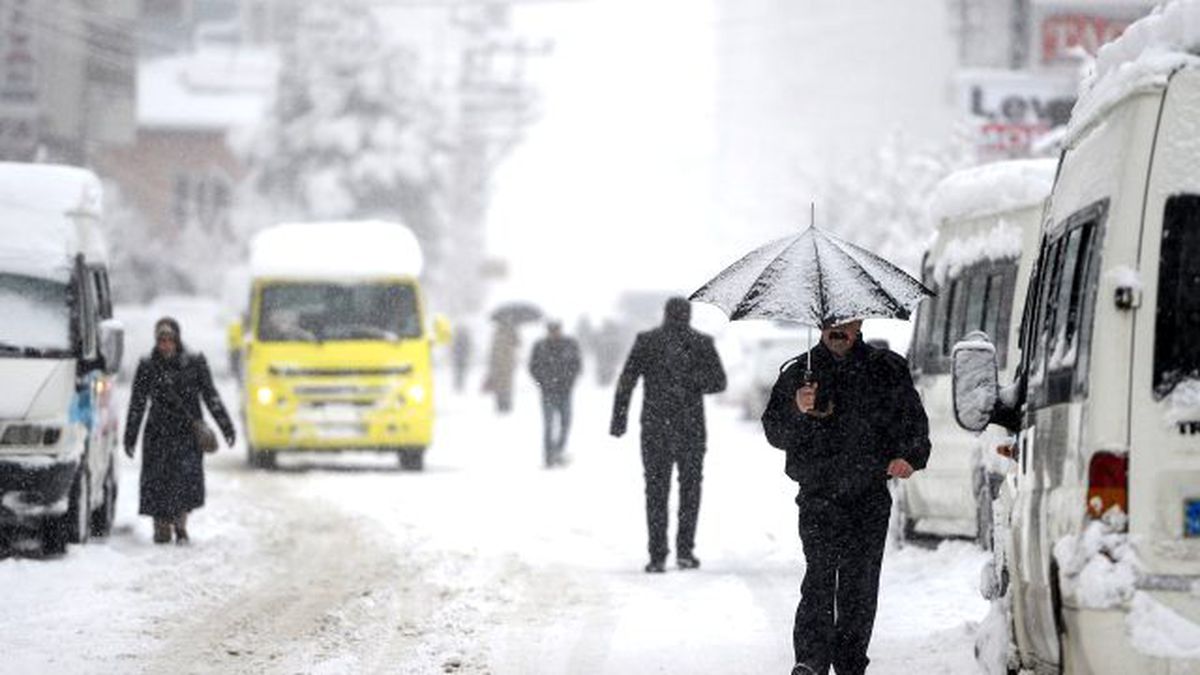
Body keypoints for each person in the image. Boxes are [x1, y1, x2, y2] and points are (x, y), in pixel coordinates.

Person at [761, 319, 930, 675]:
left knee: (860, 585)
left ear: (860, 323)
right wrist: (796, 407)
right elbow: (775, 432)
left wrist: (909, 457)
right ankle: (811, 660)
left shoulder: (887, 369)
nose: (838, 330)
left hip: (868, 495)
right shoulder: (799, 372)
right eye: (830, 323)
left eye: (846, 323)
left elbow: (914, 424)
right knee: (819, 578)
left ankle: (851, 663)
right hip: (818, 495)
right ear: (819, 323)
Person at [610, 297, 726, 573]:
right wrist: (694, 381)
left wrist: (619, 420)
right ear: (688, 315)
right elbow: (719, 382)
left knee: (656, 490)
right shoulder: (702, 343)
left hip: (654, 427)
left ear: (665, 314)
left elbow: (626, 381)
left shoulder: (647, 341)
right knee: (690, 489)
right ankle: (685, 551)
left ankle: (658, 555)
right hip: (691, 428)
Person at [124, 318, 236, 545]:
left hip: (187, 435)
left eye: (169, 340)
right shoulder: (148, 365)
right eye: (161, 340)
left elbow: (210, 396)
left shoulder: (194, 362)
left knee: (185, 482)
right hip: (158, 434)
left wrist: (226, 427)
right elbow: (137, 403)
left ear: (177, 340)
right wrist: (130, 437)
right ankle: (161, 525)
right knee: (158, 482)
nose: (165, 345)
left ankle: (181, 525)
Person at [528, 321, 582, 467]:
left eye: (556, 330)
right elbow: (533, 367)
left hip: (565, 391)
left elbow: (577, 365)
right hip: (547, 392)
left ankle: (559, 451)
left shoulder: (570, 345)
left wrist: (570, 382)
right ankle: (549, 456)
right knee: (549, 425)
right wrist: (542, 384)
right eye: (552, 331)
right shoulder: (540, 346)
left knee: (566, 423)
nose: (554, 333)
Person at [483, 322, 520, 413]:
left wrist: (514, 333)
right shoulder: (498, 336)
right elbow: (493, 353)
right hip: (501, 366)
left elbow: (518, 344)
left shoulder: (509, 335)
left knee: (505, 386)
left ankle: (505, 405)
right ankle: (502, 405)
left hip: (506, 366)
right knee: (502, 386)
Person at [451, 324, 473, 392]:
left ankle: (459, 385)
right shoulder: (465, 338)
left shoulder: (458, 338)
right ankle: (459, 385)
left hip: (459, 358)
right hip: (462, 358)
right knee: (461, 372)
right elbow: (468, 348)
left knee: (459, 372)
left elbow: (454, 348)